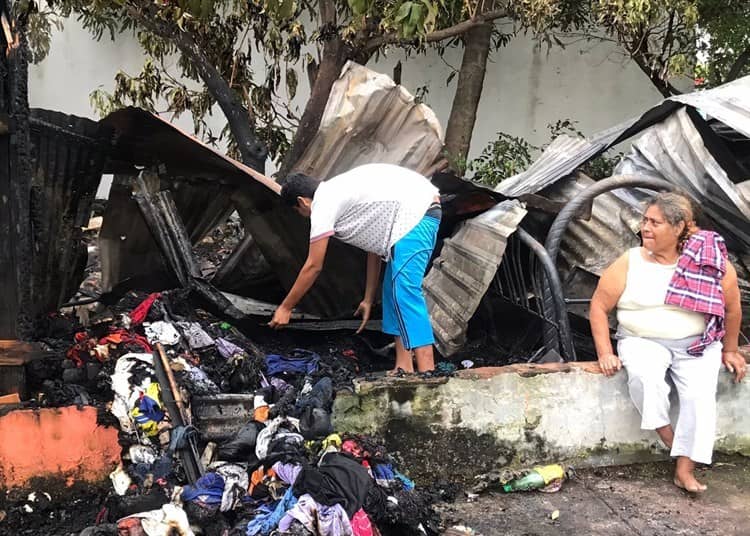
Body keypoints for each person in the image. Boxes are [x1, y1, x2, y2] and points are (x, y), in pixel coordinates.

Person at [589, 192, 745, 493]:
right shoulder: (630, 261)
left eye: (655, 222)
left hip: (697, 343)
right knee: (647, 381)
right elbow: (598, 306)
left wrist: (730, 349)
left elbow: (732, 307)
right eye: (645, 220)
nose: (645, 227)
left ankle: (684, 470)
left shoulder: (710, 263)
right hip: (641, 340)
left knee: (699, 399)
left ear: (679, 228)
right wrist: (605, 352)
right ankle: (674, 442)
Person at [269, 163, 441, 374]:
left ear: (302, 201)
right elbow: (374, 248)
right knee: (391, 292)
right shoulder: (339, 192)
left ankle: (428, 373)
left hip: (417, 214)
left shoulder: (324, 204)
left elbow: (313, 265)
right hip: (412, 214)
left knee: (405, 291)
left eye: (298, 211)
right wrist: (368, 299)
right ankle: (403, 367)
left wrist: (286, 307)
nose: (303, 215)